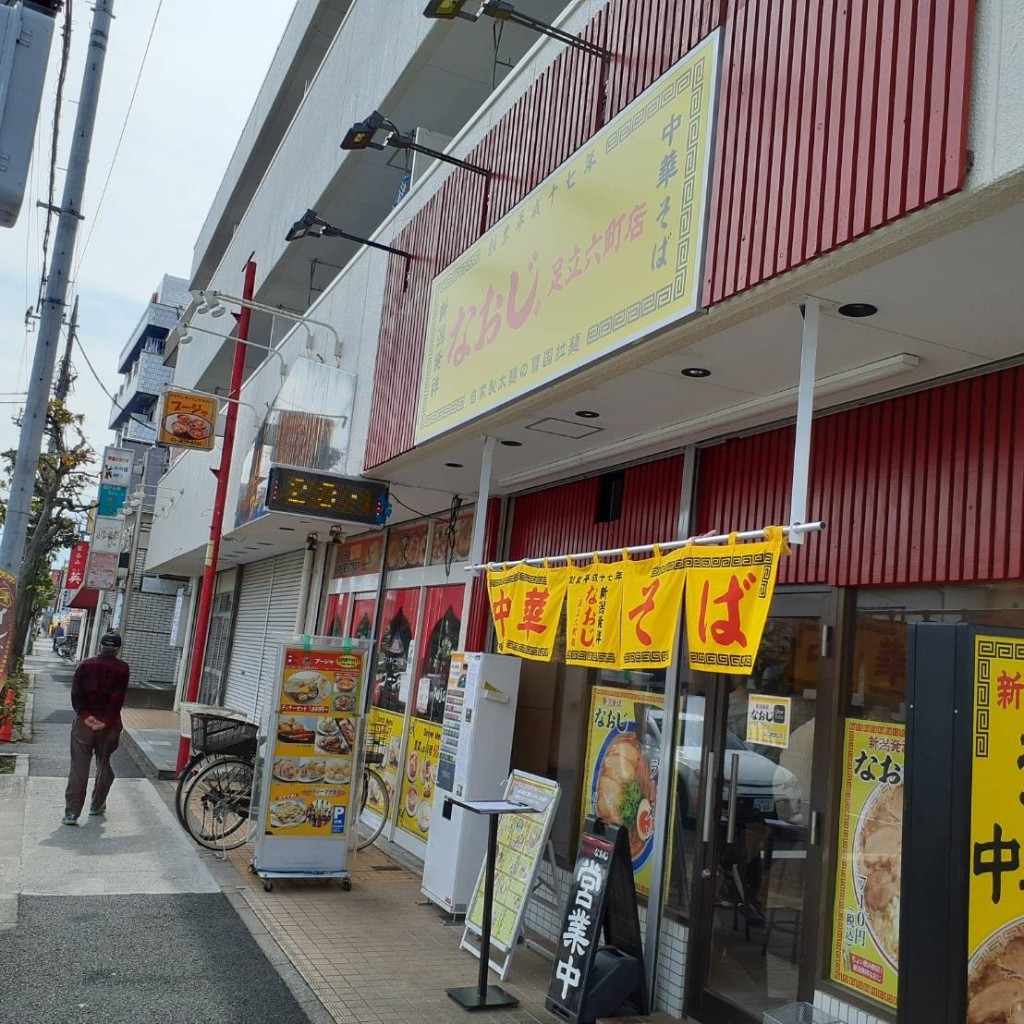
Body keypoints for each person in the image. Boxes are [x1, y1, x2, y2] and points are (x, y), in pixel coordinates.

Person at [63, 632, 130, 825]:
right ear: (118, 650)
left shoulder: (85, 665)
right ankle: (97, 805)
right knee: (103, 763)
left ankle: (71, 813)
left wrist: (87, 717)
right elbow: (118, 699)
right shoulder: (122, 668)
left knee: (78, 768)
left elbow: (76, 694)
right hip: (109, 727)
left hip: (84, 725)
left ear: (100, 646)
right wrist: (105, 721)